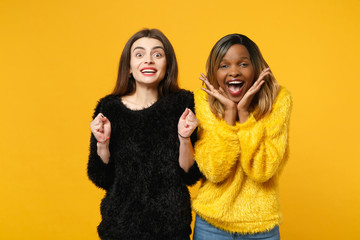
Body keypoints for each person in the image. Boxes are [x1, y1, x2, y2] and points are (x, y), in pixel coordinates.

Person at [87, 28, 201, 240]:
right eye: (139, 54)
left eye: (157, 54)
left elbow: (190, 174)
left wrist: (184, 138)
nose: (148, 60)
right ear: (129, 67)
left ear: (167, 65)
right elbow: (101, 177)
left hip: (171, 228)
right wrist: (102, 143)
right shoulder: (109, 108)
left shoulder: (184, 104)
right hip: (119, 228)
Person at [191, 34, 293, 240]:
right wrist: (230, 115)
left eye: (243, 64)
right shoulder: (203, 100)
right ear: (214, 71)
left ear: (255, 67)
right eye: (224, 66)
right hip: (212, 224)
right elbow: (214, 171)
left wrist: (244, 115)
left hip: (261, 227)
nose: (234, 72)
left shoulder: (278, 100)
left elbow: (263, 170)